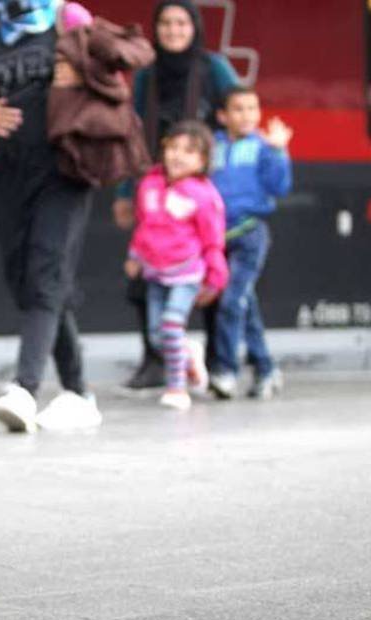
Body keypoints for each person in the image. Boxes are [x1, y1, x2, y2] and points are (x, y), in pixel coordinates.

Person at [0, 0, 103, 434]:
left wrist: (79, 77)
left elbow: (108, 76)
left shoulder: (69, 17)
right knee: (27, 277)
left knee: (46, 271)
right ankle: (79, 391)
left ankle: (25, 387)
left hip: (64, 167)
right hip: (10, 168)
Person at [113, 0, 240, 391]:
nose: (173, 30)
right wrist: (126, 191)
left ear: (195, 27)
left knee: (211, 281)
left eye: (181, 23)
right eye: (165, 23)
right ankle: (156, 361)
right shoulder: (147, 75)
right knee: (146, 277)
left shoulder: (214, 67)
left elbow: (238, 112)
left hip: (205, 193)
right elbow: (133, 134)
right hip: (156, 189)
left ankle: (219, 364)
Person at [125, 120, 228, 411]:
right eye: (174, 148)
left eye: (189, 151)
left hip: (187, 273)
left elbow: (213, 239)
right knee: (157, 336)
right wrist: (135, 255)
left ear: (203, 161)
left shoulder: (203, 195)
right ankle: (188, 354)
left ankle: (177, 387)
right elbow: (144, 225)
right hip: (155, 273)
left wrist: (215, 278)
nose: (178, 156)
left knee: (171, 324)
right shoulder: (149, 185)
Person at [208, 86, 293, 399]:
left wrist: (279, 152)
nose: (246, 115)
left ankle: (227, 371)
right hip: (217, 238)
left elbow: (280, 187)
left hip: (250, 234)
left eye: (252, 108)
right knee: (245, 305)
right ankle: (266, 369)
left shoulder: (263, 147)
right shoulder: (212, 146)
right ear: (222, 116)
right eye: (238, 109)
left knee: (232, 302)